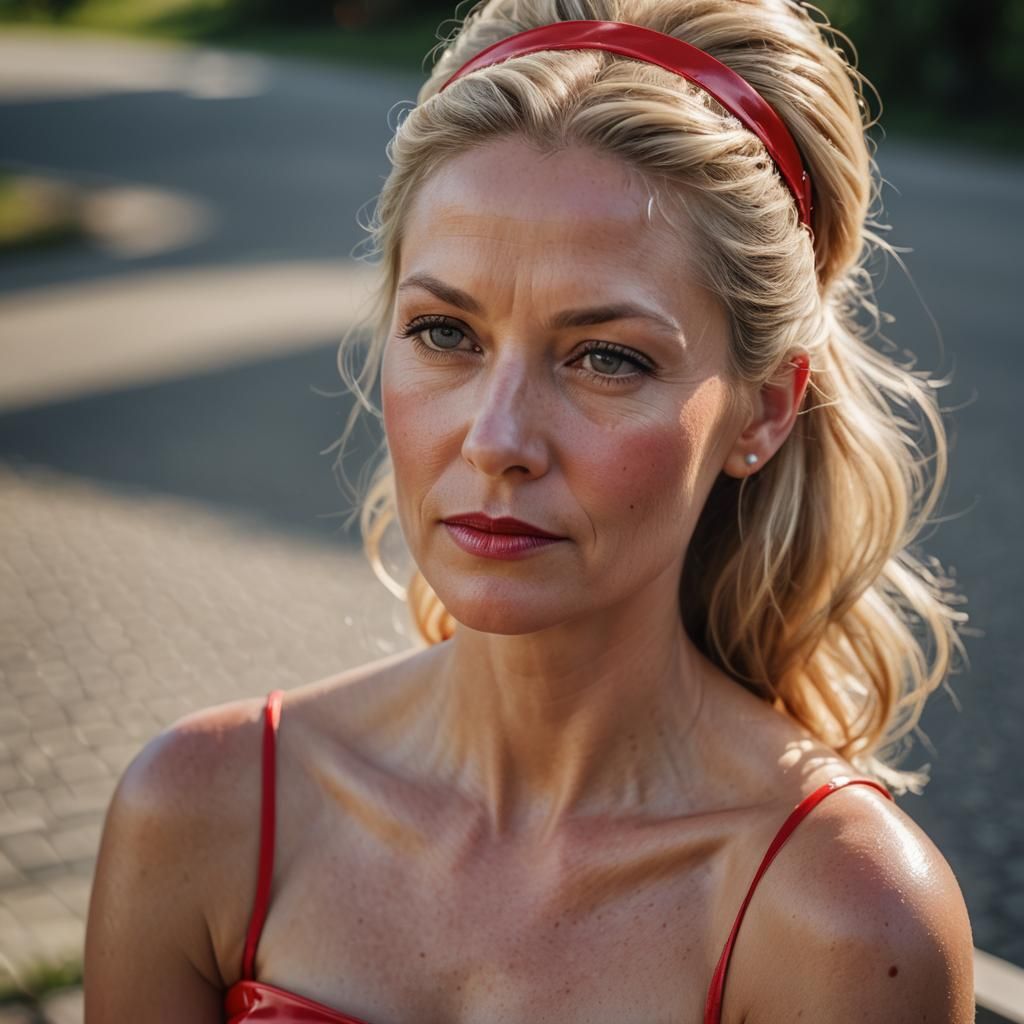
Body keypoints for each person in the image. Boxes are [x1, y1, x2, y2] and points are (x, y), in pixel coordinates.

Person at [83, 1, 976, 1021]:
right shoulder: (205, 809)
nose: (496, 438)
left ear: (764, 410)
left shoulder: (849, 920)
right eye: (444, 333)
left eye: (606, 357)